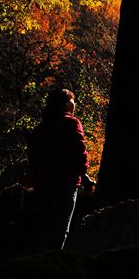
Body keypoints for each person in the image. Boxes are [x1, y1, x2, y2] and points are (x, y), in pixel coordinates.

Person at [28, 88, 90, 250]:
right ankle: (52, 266)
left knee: (45, 227)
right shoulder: (71, 123)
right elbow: (79, 151)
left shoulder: (40, 128)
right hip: (65, 183)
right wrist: (83, 173)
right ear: (65, 104)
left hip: (42, 184)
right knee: (60, 229)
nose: (74, 103)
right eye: (72, 100)